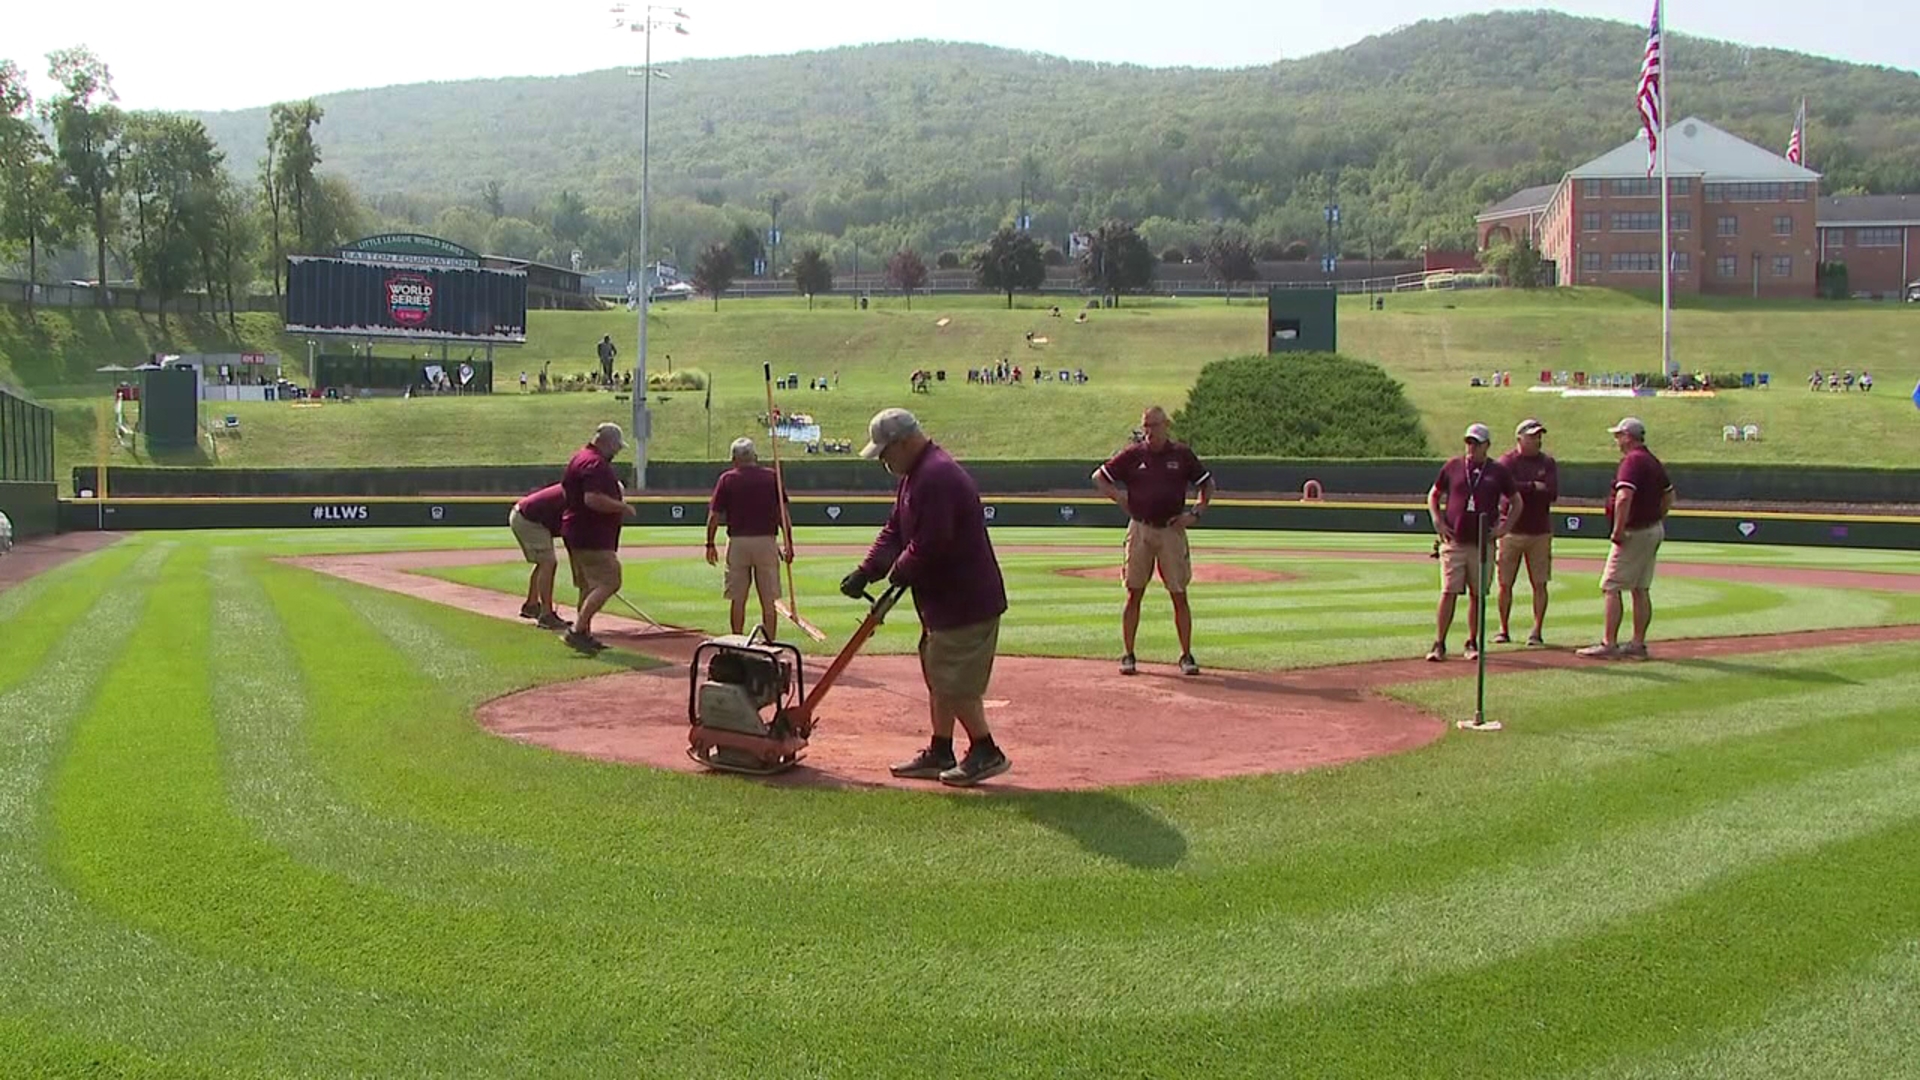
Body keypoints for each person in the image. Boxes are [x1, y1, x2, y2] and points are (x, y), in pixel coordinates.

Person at [840, 408, 1010, 787]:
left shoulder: (936, 476)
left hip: (965, 602)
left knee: (954, 681)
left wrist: (898, 570)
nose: (883, 461)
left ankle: (985, 750)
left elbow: (932, 543)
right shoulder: (916, 476)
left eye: (885, 452)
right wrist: (868, 570)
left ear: (903, 442)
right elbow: (895, 530)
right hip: (941, 601)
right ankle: (940, 749)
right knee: (939, 674)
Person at [1092, 405, 1215, 676]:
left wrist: (1195, 513)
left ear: (1166, 425)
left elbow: (1207, 484)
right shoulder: (1134, 455)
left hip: (1171, 529)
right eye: (1146, 426)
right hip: (1140, 528)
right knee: (1133, 592)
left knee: (1179, 594)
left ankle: (1185, 655)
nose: (1149, 432)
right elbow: (1099, 477)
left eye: (1154, 425)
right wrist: (1119, 497)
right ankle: (1128, 654)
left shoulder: (1181, 455)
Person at [1579, 418, 1675, 661]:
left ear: (1628, 437)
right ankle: (1637, 644)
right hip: (1652, 528)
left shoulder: (1632, 461)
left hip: (1634, 531)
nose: (1617, 441)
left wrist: (1618, 529)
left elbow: (1624, 497)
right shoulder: (1652, 460)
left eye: (1619, 436)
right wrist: (1657, 516)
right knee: (1640, 588)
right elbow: (1669, 495)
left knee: (1611, 586)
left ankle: (1609, 643)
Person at [1425, 423, 1522, 662]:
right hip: (1455, 541)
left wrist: (1504, 528)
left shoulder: (1497, 471)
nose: (1471, 447)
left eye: (1476, 443)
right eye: (1468, 442)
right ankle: (1439, 642)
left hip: (1482, 543)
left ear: (1487, 446)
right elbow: (1434, 494)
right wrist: (1437, 519)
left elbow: (1516, 501)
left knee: (1477, 594)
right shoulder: (1453, 466)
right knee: (1448, 591)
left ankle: (1472, 641)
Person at [705, 437, 792, 640]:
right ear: (755, 456)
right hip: (766, 541)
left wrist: (709, 543)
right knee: (769, 600)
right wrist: (789, 542)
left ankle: (737, 641)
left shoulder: (727, 479)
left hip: (738, 543)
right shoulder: (772, 477)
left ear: (734, 458)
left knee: (738, 599)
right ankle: (769, 644)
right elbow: (783, 514)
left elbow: (714, 516)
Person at [561, 423, 637, 651]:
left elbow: (567, 492)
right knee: (610, 581)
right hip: (592, 535)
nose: (616, 452)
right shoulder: (595, 464)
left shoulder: (579, 458)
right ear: (607, 443)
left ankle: (584, 632)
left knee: (587, 586)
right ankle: (577, 630)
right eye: (616, 447)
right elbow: (592, 499)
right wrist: (621, 507)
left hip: (577, 531)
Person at [1495, 418, 1559, 647]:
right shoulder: (1507, 461)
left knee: (1540, 583)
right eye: (1532, 436)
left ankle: (1536, 631)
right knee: (1504, 583)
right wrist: (1532, 486)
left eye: (1539, 436)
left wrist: (1522, 487)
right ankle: (1503, 629)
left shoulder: (1547, 462)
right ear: (1519, 438)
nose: (1537, 440)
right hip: (1511, 531)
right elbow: (1505, 489)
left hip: (1539, 531)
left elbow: (1551, 492)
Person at [509, 481, 571, 630]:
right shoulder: (580, 496)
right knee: (548, 562)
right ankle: (546, 615)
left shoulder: (579, 490)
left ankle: (531, 605)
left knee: (545, 562)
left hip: (529, 517)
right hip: (529, 519)